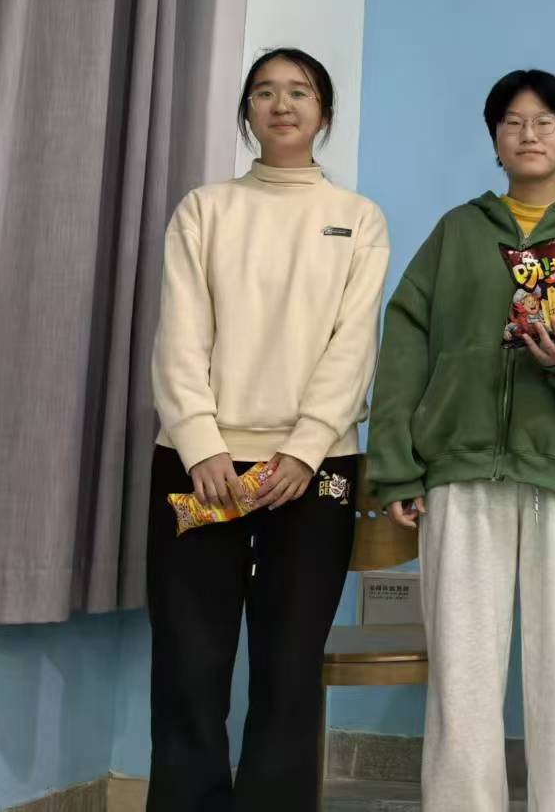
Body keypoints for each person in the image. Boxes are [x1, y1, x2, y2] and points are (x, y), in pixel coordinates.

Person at [366, 68, 555, 812]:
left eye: (545, 121)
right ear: (494, 139)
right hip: (460, 472)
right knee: (460, 676)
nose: (530, 134)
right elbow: (403, 350)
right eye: (513, 122)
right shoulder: (456, 232)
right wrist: (397, 468)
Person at [146, 47, 390, 811]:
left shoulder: (358, 218)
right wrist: (202, 443)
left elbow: (354, 345)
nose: (282, 105)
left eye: (299, 92)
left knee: (288, 668)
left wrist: (306, 447)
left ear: (325, 112)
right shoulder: (204, 209)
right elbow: (179, 336)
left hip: (315, 471)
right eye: (264, 92)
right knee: (189, 663)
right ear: (247, 111)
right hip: (201, 465)